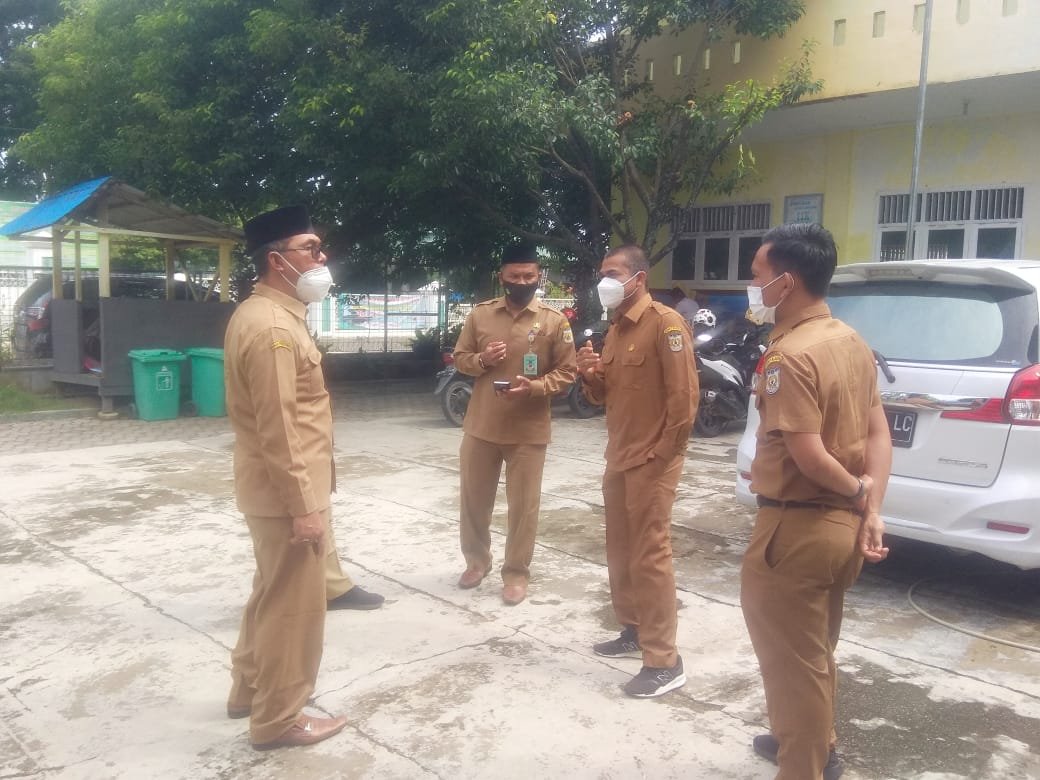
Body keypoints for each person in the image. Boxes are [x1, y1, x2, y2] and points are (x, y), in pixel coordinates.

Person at [739, 223, 892, 780]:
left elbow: (808, 454)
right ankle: (809, 742)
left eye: (757, 276)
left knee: (792, 664)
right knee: (814, 651)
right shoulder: (852, 341)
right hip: (838, 531)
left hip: (794, 530)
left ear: (786, 281)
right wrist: (869, 507)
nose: (750, 286)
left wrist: (857, 491)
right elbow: (879, 435)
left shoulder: (791, 357)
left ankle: (802, 764)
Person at [224, 204, 353, 750]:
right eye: (311, 249)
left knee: (268, 594)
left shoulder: (263, 315)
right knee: (294, 610)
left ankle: (248, 690)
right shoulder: (274, 329)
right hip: (286, 496)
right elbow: (279, 427)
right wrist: (306, 506)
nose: (322, 259)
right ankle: (280, 719)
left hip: (271, 491)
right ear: (277, 260)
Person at [577, 245, 697, 698]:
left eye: (612, 272)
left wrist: (660, 456)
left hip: (652, 461)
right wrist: (589, 374)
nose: (604, 280)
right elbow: (604, 396)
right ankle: (634, 628)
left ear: (638, 279)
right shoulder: (615, 329)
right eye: (602, 272)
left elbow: (684, 401)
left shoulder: (665, 325)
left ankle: (665, 659)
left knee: (649, 555)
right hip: (620, 457)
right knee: (621, 550)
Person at [452, 242, 577, 605]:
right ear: (502, 277)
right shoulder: (480, 316)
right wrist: (482, 359)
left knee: (524, 508)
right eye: (514, 276)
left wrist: (536, 387)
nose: (522, 281)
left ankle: (517, 573)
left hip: (528, 430)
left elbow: (568, 372)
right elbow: (460, 359)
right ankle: (477, 562)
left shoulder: (555, 321)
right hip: (482, 426)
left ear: (539, 277)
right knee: (474, 501)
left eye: (529, 276)